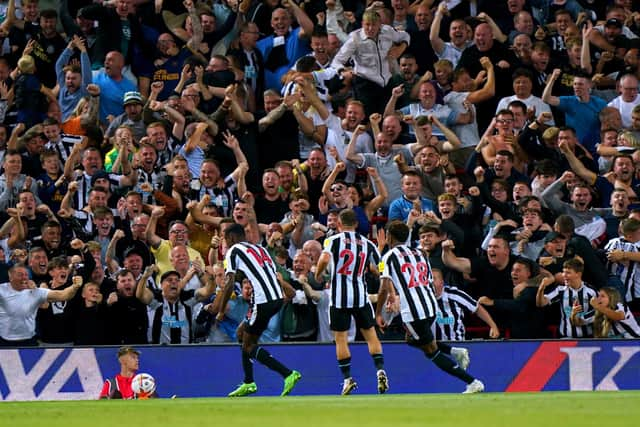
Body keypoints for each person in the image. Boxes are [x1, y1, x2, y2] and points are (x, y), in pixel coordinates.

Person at [375, 221, 485, 394]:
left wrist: (378, 313)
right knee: (411, 339)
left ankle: (472, 381)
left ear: (389, 237)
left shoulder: (388, 256)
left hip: (413, 311)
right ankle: (455, 351)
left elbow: (383, 288)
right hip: (430, 305)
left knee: (430, 352)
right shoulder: (420, 253)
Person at [214, 223, 301, 397]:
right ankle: (248, 382)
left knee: (248, 345)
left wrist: (220, 310)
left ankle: (287, 374)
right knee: (242, 334)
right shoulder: (259, 248)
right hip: (276, 296)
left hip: (262, 300)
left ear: (231, 238)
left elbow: (230, 282)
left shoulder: (234, 250)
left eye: (224, 239)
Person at [314, 209, 388, 396]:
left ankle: (347, 379)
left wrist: (318, 274)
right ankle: (380, 370)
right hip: (361, 296)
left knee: (341, 338)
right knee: (371, 335)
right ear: (356, 224)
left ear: (339, 224)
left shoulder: (333, 240)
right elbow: (380, 269)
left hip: (339, 298)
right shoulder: (367, 243)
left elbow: (324, 259)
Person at [0, 263, 82, 346]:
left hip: (29, 341)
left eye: (26, 275)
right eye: (20, 275)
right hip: (4, 341)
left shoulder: (35, 291)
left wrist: (75, 287)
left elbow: (63, 295)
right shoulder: (1, 290)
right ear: (10, 277)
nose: (24, 277)